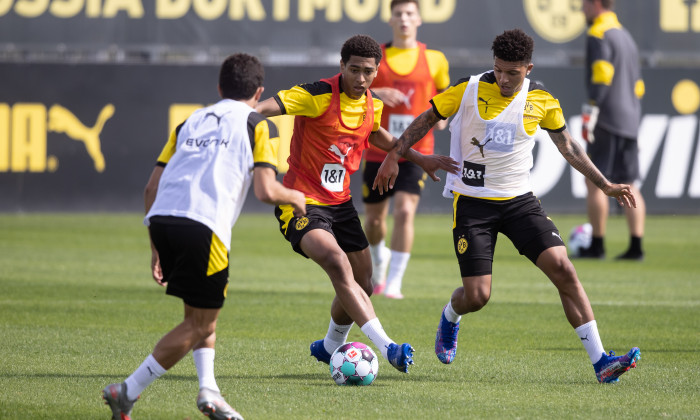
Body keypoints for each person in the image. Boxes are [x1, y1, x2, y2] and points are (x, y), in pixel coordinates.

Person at [374, 29, 641, 383]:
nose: (502, 78)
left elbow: (569, 147)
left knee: (564, 268)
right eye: (498, 69)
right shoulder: (467, 89)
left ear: (528, 68)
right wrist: (396, 154)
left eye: (512, 72)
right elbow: (426, 119)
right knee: (478, 295)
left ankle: (601, 361)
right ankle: (451, 315)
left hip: (519, 202)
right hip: (472, 204)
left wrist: (604, 184)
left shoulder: (542, 100)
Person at [102, 53, 306, 420]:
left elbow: (152, 187)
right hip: (204, 226)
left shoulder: (189, 121)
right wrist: (295, 196)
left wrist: (155, 250)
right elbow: (265, 190)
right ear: (259, 91)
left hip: (163, 219)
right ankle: (126, 391)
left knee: (198, 313)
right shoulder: (259, 124)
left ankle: (208, 391)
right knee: (200, 324)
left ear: (218, 88)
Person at [256, 34, 458, 373]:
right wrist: (241, 118)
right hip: (301, 202)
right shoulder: (316, 95)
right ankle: (388, 346)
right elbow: (264, 109)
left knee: (364, 283)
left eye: (367, 71)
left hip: (341, 204)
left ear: (377, 70)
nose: (360, 79)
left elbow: (376, 134)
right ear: (341, 66)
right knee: (338, 262)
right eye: (353, 70)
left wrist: (418, 158)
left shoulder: (372, 103)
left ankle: (331, 345)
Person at [362, 0, 451, 299]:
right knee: (373, 220)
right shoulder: (376, 57)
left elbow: (445, 98)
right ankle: (379, 259)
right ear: (390, 19)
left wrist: (441, 119)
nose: (404, 19)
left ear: (419, 19)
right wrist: (375, 93)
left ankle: (395, 281)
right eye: (398, 14)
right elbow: (354, 90)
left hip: (416, 150)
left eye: (410, 13)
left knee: (404, 212)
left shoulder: (435, 59)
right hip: (379, 148)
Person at [579, 0, 646, 260]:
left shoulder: (598, 33)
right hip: (630, 118)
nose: (582, 9)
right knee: (630, 183)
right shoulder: (626, 36)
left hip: (607, 118)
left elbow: (602, 74)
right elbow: (638, 86)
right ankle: (636, 246)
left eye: (584, 4)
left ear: (596, 4)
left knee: (594, 181)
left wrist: (591, 110)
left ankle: (597, 245)